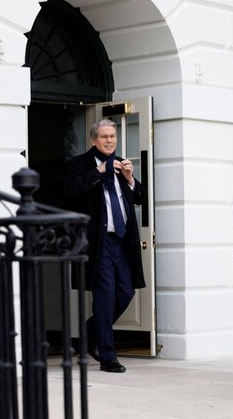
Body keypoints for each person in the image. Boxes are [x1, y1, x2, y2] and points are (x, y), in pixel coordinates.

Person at [63, 118, 146, 373]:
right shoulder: (78, 165)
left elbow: (140, 198)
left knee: (126, 292)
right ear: (94, 140)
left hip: (121, 241)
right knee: (105, 295)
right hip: (98, 243)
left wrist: (130, 179)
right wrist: (98, 172)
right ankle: (107, 356)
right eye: (104, 137)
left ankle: (90, 331)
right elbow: (71, 192)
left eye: (113, 136)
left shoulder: (121, 164)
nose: (109, 141)